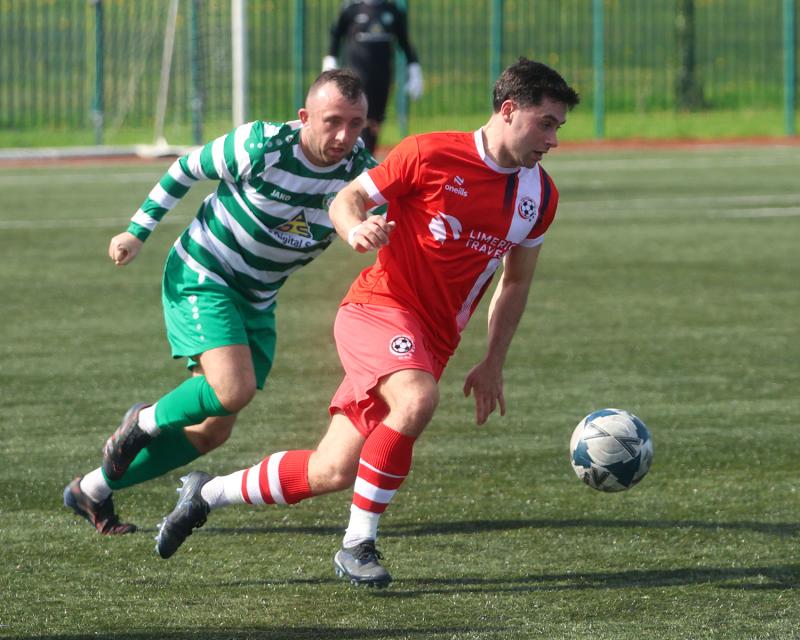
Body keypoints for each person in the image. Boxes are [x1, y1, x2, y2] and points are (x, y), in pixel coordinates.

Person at [153, 58, 580, 589]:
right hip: (378, 309)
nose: (553, 139)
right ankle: (357, 545)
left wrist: (493, 360)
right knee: (417, 400)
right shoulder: (430, 153)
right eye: (547, 123)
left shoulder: (540, 195)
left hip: (434, 338)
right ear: (509, 110)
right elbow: (346, 197)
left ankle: (206, 492)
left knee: (331, 470)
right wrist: (355, 230)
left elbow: (515, 282)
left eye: (558, 127)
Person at [63, 70, 382, 535]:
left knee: (213, 429)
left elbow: (396, 218)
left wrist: (378, 230)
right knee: (233, 389)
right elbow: (184, 169)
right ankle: (144, 420)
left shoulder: (361, 172)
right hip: (203, 274)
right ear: (304, 117)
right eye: (333, 121)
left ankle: (90, 489)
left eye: (356, 124)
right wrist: (137, 231)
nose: (344, 135)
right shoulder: (262, 145)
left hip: (257, 297)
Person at [323, 0, 423, 154]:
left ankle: (368, 156)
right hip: (357, 77)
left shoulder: (392, 10)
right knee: (358, 115)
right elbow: (336, 36)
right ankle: (352, 155)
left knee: (376, 119)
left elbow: (405, 41)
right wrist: (330, 60)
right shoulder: (351, 9)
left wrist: (414, 69)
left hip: (382, 76)